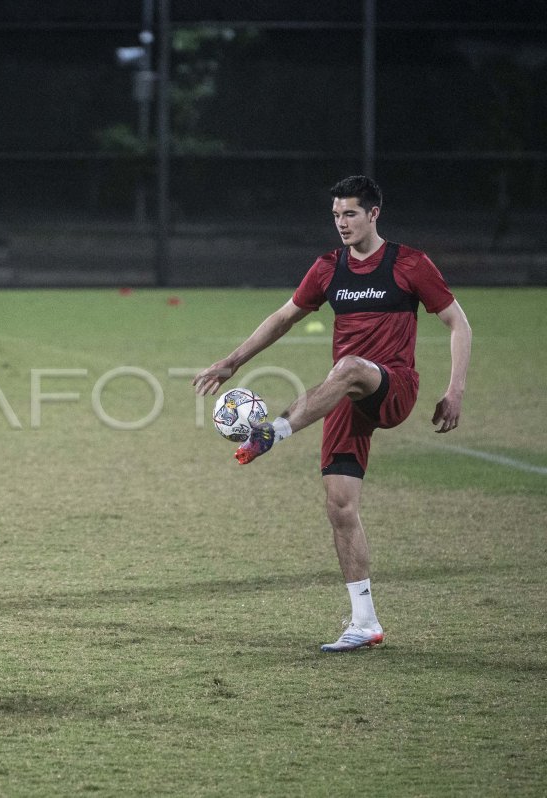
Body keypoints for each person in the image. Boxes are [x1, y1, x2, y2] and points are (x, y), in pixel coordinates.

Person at [193, 176, 472, 652]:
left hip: (393, 385)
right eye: (337, 215)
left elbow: (457, 322)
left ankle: (273, 433)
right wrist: (232, 361)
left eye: (351, 214)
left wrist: (455, 389)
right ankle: (364, 623)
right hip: (343, 397)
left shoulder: (409, 264)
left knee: (347, 367)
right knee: (340, 507)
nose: (342, 224)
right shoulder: (328, 268)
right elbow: (284, 317)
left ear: (374, 214)